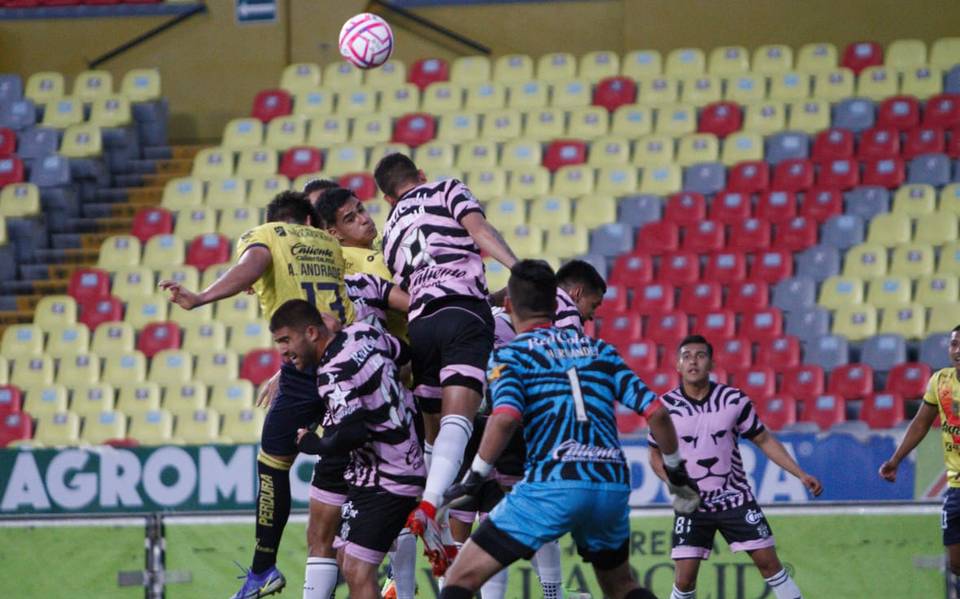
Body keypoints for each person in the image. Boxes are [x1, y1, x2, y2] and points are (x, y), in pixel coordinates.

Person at [439, 260, 699, 599]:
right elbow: (658, 414)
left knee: (460, 578)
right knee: (621, 586)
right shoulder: (600, 350)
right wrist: (677, 474)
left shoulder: (511, 355)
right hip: (610, 482)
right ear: (557, 304)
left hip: (554, 481)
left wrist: (474, 477)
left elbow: (505, 418)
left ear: (508, 305)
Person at [158, 191, 357, 599]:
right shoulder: (331, 245)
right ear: (310, 219)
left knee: (273, 463)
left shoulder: (268, 234)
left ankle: (264, 566)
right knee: (351, 465)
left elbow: (253, 264)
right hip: (350, 362)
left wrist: (200, 297)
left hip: (305, 371)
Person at [374, 152, 518, 573]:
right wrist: (518, 268)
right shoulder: (446, 188)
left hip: (421, 325)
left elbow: (409, 282)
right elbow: (479, 230)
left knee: (435, 423)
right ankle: (431, 503)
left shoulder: (389, 232)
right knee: (463, 412)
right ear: (420, 175)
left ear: (387, 198)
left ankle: (429, 505)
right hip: (462, 312)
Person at [449, 258, 609, 599]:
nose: (591, 315)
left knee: (473, 519)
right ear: (576, 292)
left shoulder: (498, 312)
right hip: (510, 416)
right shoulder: (565, 314)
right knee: (530, 509)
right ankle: (553, 594)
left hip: (467, 411)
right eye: (592, 305)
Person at [268, 299, 426, 599]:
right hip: (388, 466)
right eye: (278, 343)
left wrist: (313, 443)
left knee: (356, 570)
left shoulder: (330, 372)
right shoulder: (364, 334)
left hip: (388, 477)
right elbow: (404, 354)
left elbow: (353, 432)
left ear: (312, 333)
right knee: (345, 558)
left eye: (286, 340)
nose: (283, 352)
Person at [649, 335, 823, 599]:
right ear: (677, 365)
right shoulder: (665, 408)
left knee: (769, 565)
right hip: (692, 503)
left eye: (700, 355)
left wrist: (800, 474)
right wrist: (675, 484)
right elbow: (654, 455)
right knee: (684, 581)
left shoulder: (734, 400)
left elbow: (763, 439)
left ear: (711, 363)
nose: (693, 361)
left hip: (735, 499)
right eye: (686, 356)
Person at [880, 324, 960, 596]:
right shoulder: (941, 382)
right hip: (956, 485)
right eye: (954, 344)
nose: (957, 350)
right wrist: (896, 459)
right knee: (956, 563)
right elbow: (920, 424)